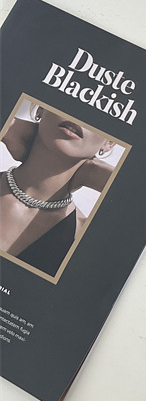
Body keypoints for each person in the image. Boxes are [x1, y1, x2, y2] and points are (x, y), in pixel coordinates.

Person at [0, 105, 115, 276]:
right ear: (40, 109)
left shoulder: (83, 236)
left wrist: (107, 177)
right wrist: (9, 126)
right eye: (70, 102)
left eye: (100, 117)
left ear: (109, 143)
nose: (81, 118)